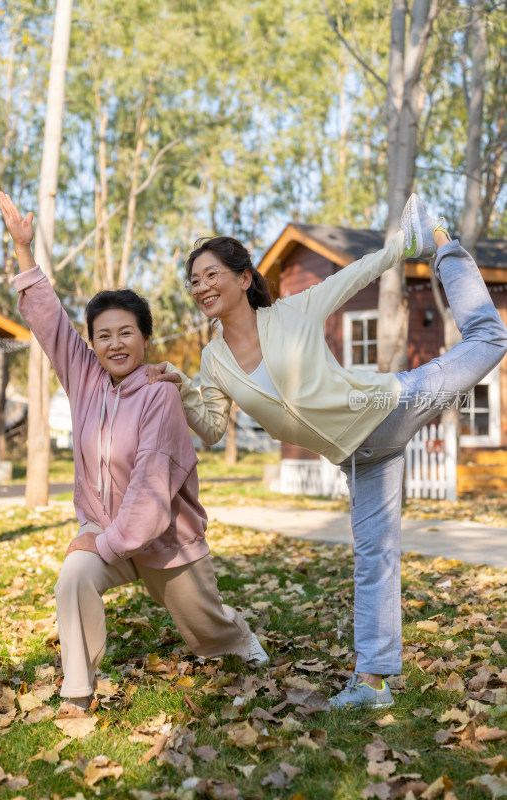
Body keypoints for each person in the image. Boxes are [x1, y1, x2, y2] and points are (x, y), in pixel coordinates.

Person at [147, 194, 507, 709]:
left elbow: (356, 275)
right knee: (373, 559)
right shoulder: (214, 360)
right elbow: (211, 430)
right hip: (362, 458)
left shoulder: (292, 312)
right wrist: (181, 383)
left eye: (210, 275)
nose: (201, 287)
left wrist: (409, 244)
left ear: (243, 277)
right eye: (195, 280)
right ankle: (373, 685)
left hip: (392, 404)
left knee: (490, 337)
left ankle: (442, 240)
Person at [0, 192, 268, 710]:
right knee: (72, 578)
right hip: (105, 532)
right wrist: (23, 249)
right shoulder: (84, 378)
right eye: (104, 336)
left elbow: (150, 485)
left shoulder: (161, 393)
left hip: (165, 539)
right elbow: (50, 321)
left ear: (145, 338)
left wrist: (105, 543)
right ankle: (77, 692)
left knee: (213, 636)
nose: (115, 344)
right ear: (93, 343)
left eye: (127, 333)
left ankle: (241, 642)